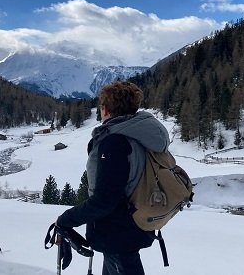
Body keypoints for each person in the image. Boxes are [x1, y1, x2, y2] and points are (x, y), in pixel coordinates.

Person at [56, 81, 170, 275]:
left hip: (118, 233)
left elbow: (104, 200)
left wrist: (65, 220)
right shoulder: (138, 134)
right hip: (134, 224)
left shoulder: (114, 143)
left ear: (105, 109)